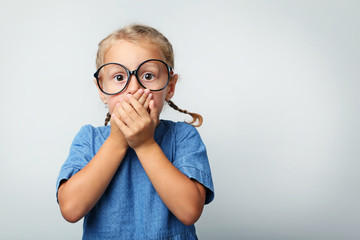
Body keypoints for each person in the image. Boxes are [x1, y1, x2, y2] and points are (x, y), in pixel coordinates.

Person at [56, 24, 214, 239]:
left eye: (148, 76)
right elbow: (71, 210)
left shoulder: (183, 137)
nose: (133, 88)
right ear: (101, 89)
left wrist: (145, 144)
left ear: (170, 86)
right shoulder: (89, 139)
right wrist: (117, 142)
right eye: (119, 77)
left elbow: (189, 212)